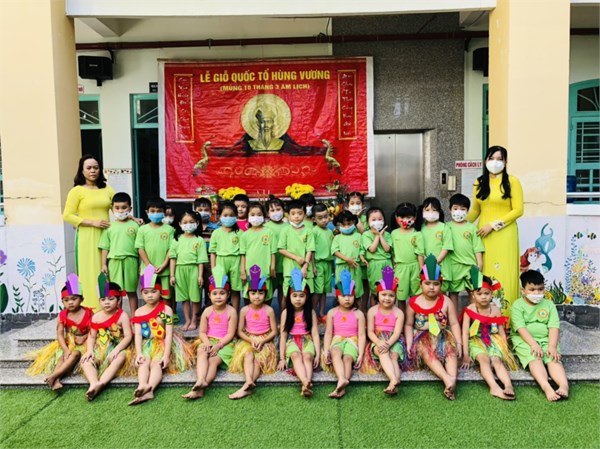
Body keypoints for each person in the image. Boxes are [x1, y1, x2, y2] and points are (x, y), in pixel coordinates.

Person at [467, 146, 524, 314]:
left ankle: (506, 317)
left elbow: (518, 210)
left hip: (505, 234)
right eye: (491, 158)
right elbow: (476, 209)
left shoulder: (512, 181)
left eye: (499, 159)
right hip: (483, 235)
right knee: (485, 272)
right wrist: (460, 225)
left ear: (506, 162)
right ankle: (485, 315)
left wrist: (493, 225)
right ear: (485, 161)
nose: (495, 162)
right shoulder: (479, 182)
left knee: (505, 273)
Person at [129, 265, 193, 405]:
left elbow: (169, 333)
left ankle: (150, 389)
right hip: (146, 344)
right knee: (144, 362)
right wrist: (139, 353)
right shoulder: (139, 312)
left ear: (160, 292)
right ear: (142, 293)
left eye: (154, 291)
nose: (150, 295)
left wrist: (166, 355)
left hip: (162, 343)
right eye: (146, 292)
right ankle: (142, 385)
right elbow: (138, 334)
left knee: (156, 364)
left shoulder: (165, 310)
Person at [404, 255, 462, 400]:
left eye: (436, 284)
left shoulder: (446, 301)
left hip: (442, 336)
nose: (431, 287)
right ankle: (447, 379)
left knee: (450, 351)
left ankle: (452, 380)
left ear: (441, 285)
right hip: (422, 338)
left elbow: (454, 323)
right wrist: (409, 344)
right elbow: (408, 324)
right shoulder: (413, 302)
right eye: (427, 283)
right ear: (421, 284)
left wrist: (459, 343)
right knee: (425, 351)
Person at [63, 155, 115, 309]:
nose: (93, 171)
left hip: (106, 235)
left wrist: (132, 218)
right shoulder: (77, 191)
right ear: (82, 170)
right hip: (86, 237)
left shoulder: (107, 189)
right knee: (89, 273)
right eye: (89, 168)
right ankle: (90, 309)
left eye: (96, 168)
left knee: (107, 271)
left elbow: (118, 207)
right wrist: (92, 222)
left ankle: (108, 309)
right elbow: (67, 215)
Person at [26, 274, 93, 390]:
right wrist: (66, 349)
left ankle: (54, 376)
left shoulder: (89, 313)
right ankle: (56, 380)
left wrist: (86, 336)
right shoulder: (62, 315)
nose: (70, 302)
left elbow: (95, 330)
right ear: (62, 301)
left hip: (85, 343)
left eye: (74, 299)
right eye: (66, 300)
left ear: (82, 299)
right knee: (63, 357)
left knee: (76, 354)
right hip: (69, 344)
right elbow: (60, 334)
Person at [510, 270, 569, 401]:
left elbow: (553, 326)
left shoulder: (549, 305)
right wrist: (533, 344)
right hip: (524, 340)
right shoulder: (517, 305)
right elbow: (520, 327)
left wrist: (552, 346)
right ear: (523, 290)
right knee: (535, 358)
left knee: (553, 359)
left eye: (540, 289)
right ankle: (546, 387)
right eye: (532, 290)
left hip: (546, 339)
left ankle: (564, 385)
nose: (537, 293)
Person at [460, 268, 517, 400]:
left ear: (492, 294)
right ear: (473, 294)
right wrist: (466, 355)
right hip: (475, 340)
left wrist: (505, 350)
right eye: (479, 294)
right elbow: (465, 333)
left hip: (493, 339)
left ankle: (508, 385)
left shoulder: (495, 310)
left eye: (487, 293)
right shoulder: (469, 310)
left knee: (496, 360)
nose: (484, 296)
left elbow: (501, 331)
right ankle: (494, 387)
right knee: (484, 359)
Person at [182, 266, 238, 400]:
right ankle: (200, 380)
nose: (218, 297)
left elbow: (230, 334)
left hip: (225, 344)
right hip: (209, 339)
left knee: (212, 361)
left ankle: (201, 388)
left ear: (228, 295)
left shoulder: (231, 311)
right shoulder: (207, 311)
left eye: (222, 293)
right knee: (202, 351)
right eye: (215, 293)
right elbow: (202, 332)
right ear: (209, 295)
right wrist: (207, 343)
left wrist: (218, 346)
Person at [228, 265, 278, 400]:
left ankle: (246, 387)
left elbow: (274, 331)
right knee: (248, 355)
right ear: (248, 294)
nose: (257, 296)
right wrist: (251, 340)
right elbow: (239, 331)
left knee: (258, 361)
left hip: (265, 340)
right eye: (253, 293)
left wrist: (262, 340)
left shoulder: (269, 310)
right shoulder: (244, 310)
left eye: (260, 293)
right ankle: (249, 381)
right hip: (249, 339)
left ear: (265, 295)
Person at [81, 277, 133, 401]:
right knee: (85, 361)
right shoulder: (96, 317)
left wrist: (116, 350)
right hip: (101, 346)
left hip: (119, 346)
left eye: (111, 299)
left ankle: (102, 383)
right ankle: (94, 383)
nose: (107, 302)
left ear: (119, 300)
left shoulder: (122, 316)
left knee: (120, 358)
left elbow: (128, 336)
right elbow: (92, 336)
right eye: (103, 300)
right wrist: (90, 351)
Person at [322, 269, 366, 399]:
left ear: (354, 296)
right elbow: (328, 333)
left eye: (350, 296)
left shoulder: (359, 314)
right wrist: (326, 350)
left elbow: (362, 335)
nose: (347, 299)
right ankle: (342, 379)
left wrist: (361, 354)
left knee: (347, 359)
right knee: (335, 352)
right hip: (337, 340)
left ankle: (341, 387)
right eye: (343, 296)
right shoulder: (332, 312)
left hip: (353, 341)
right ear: (337, 297)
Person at [278, 268, 321, 397]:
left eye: (301, 296)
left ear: (306, 297)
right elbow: (283, 336)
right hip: (292, 340)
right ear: (289, 297)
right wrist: (282, 358)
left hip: (307, 339)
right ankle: (306, 381)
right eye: (295, 296)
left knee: (307, 357)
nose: (298, 299)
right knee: (296, 356)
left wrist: (318, 355)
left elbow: (315, 334)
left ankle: (305, 384)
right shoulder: (286, 313)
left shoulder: (311, 312)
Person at [366, 266, 405, 395]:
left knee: (394, 356)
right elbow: (370, 331)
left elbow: (397, 332)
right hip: (378, 339)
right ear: (377, 295)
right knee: (382, 352)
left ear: (395, 296)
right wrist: (379, 342)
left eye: (391, 295)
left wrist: (389, 343)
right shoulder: (372, 311)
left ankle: (393, 384)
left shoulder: (399, 313)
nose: (387, 298)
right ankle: (394, 380)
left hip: (394, 340)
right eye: (383, 294)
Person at [99, 192, 140, 314]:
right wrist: (104, 264)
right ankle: (118, 317)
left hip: (131, 261)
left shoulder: (136, 226)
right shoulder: (109, 227)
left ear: (130, 209)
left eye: (124, 207)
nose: (120, 211)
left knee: (131, 291)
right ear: (112, 209)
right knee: (117, 292)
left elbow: (140, 247)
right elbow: (105, 247)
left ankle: (134, 317)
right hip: (114, 262)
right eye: (117, 208)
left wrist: (141, 264)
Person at [169, 210, 209, 331]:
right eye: (185, 222)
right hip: (180, 270)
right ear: (180, 224)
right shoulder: (176, 240)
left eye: (191, 222)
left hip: (194, 270)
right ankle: (187, 320)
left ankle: (194, 320)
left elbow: (201, 260)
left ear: (197, 223)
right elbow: (173, 259)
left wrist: (200, 276)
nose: (188, 225)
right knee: (184, 298)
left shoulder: (199, 240)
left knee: (195, 297)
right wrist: (172, 275)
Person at [445, 194, 485, 309]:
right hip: (453, 266)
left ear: (467, 211)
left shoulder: (472, 228)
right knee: (453, 293)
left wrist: (479, 263)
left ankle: (475, 317)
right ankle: (454, 318)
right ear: (450, 209)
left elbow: (477, 247)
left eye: (462, 209)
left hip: (470, 266)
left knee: (474, 292)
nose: (459, 212)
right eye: (455, 208)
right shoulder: (446, 227)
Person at [135, 197, 175, 303]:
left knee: (166, 296)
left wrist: (164, 264)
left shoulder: (170, 230)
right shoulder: (142, 229)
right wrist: (148, 265)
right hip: (147, 270)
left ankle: (166, 313)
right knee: (149, 297)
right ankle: (151, 314)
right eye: (152, 211)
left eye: (159, 211)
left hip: (165, 270)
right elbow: (140, 248)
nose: (155, 214)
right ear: (147, 212)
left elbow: (171, 249)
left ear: (164, 212)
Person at [240, 202, 277, 302]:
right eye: (252, 215)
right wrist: (243, 271)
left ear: (264, 216)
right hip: (249, 271)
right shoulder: (245, 235)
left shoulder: (269, 232)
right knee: (250, 297)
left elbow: (273, 252)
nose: (256, 217)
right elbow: (243, 255)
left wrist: (272, 267)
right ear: (248, 217)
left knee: (266, 296)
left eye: (259, 214)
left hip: (265, 270)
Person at [209, 201, 242, 311]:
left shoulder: (240, 233)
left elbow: (243, 253)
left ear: (236, 216)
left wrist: (243, 269)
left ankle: (235, 313)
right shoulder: (216, 233)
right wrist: (213, 269)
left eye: (231, 215)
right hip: (220, 262)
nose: (228, 218)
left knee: (235, 290)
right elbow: (213, 252)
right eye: (225, 215)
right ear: (220, 216)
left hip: (236, 262)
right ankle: (222, 313)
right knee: (221, 289)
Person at [278, 200, 315, 296]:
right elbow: (281, 249)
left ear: (305, 215)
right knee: (287, 296)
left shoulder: (309, 231)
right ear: (288, 215)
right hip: (289, 269)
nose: (296, 216)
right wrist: (296, 258)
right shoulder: (285, 230)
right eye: (293, 214)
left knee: (306, 295)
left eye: (300, 213)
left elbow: (310, 250)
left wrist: (305, 267)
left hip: (306, 269)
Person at [390, 202, 424, 308]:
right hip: (400, 268)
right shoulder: (394, 233)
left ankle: (415, 315)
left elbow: (420, 253)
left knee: (416, 294)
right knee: (401, 296)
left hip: (415, 267)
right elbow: (392, 252)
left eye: (408, 217)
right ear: (396, 217)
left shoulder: (417, 234)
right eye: (402, 217)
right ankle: (402, 316)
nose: (405, 220)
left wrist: (421, 270)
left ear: (415, 217)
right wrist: (393, 266)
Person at [416, 197, 452, 292]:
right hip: (424, 265)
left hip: (441, 265)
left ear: (439, 211)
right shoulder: (420, 228)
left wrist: (436, 261)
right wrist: (425, 261)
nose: (430, 212)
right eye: (427, 210)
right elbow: (417, 248)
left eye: (434, 210)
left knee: (441, 291)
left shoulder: (444, 227)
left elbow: (446, 247)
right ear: (422, 211)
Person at [332, 211, 366, 306]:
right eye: (344, 224)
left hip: (355, 266)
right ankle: (341, 312)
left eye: (349, 224)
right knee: (342, 291)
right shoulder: (337, 238)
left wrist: (362, 258)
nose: (347, 227)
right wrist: (347, 259)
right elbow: (335, 251)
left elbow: (361, 250)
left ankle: (359, 311)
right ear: (339, 225)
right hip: (342, 267)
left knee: (357, 291)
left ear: (354, 222)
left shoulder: (358, 236)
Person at [362, 207, 392, 309]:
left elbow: (387, 249)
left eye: (380, 219)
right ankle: (373, 312)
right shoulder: (366, 235)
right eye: (373, 219)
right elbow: (372, 249)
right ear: (368, 222)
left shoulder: (387, 234)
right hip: (374, 264)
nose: (377, 222)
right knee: (375, 291)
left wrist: (381, 236)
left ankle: (387, 312)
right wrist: (377, 236)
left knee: (387, 290)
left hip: (387, 263)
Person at [311, 203, 334, 323]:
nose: (324, 220)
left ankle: (321, 313)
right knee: (318, 290)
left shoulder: (330, 231)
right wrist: (313, 266)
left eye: (326, 216)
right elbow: (311, 250)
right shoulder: (314, 231)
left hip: (328, 263)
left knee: (324, 290)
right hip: (318, 263)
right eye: (320, 218)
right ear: (314, 219)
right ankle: (312, 312)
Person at [265, 197, 288, 310]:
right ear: (267, 213)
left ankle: (283, 315)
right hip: (270, 266)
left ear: (283, 210)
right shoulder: (265, 228)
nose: (276, 213)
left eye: (278, 209)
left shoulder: (289, 227)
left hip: (285, 265)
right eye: (272, 210)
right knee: (268, 293)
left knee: (284, 293)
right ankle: (265, 315)